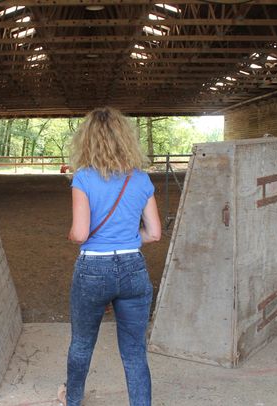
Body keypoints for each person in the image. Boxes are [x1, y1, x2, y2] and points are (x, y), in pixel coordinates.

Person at [58, 107, 162, 406]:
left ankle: (72, 400)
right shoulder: (141, 180)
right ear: (126, 138)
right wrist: (129, 238)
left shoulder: (83, 179)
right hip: (133, 267)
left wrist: (76, 236)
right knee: (134, 352)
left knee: (81, 344)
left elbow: (80, 233)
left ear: (86, 140)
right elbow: (154, 233)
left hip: (93, 268)